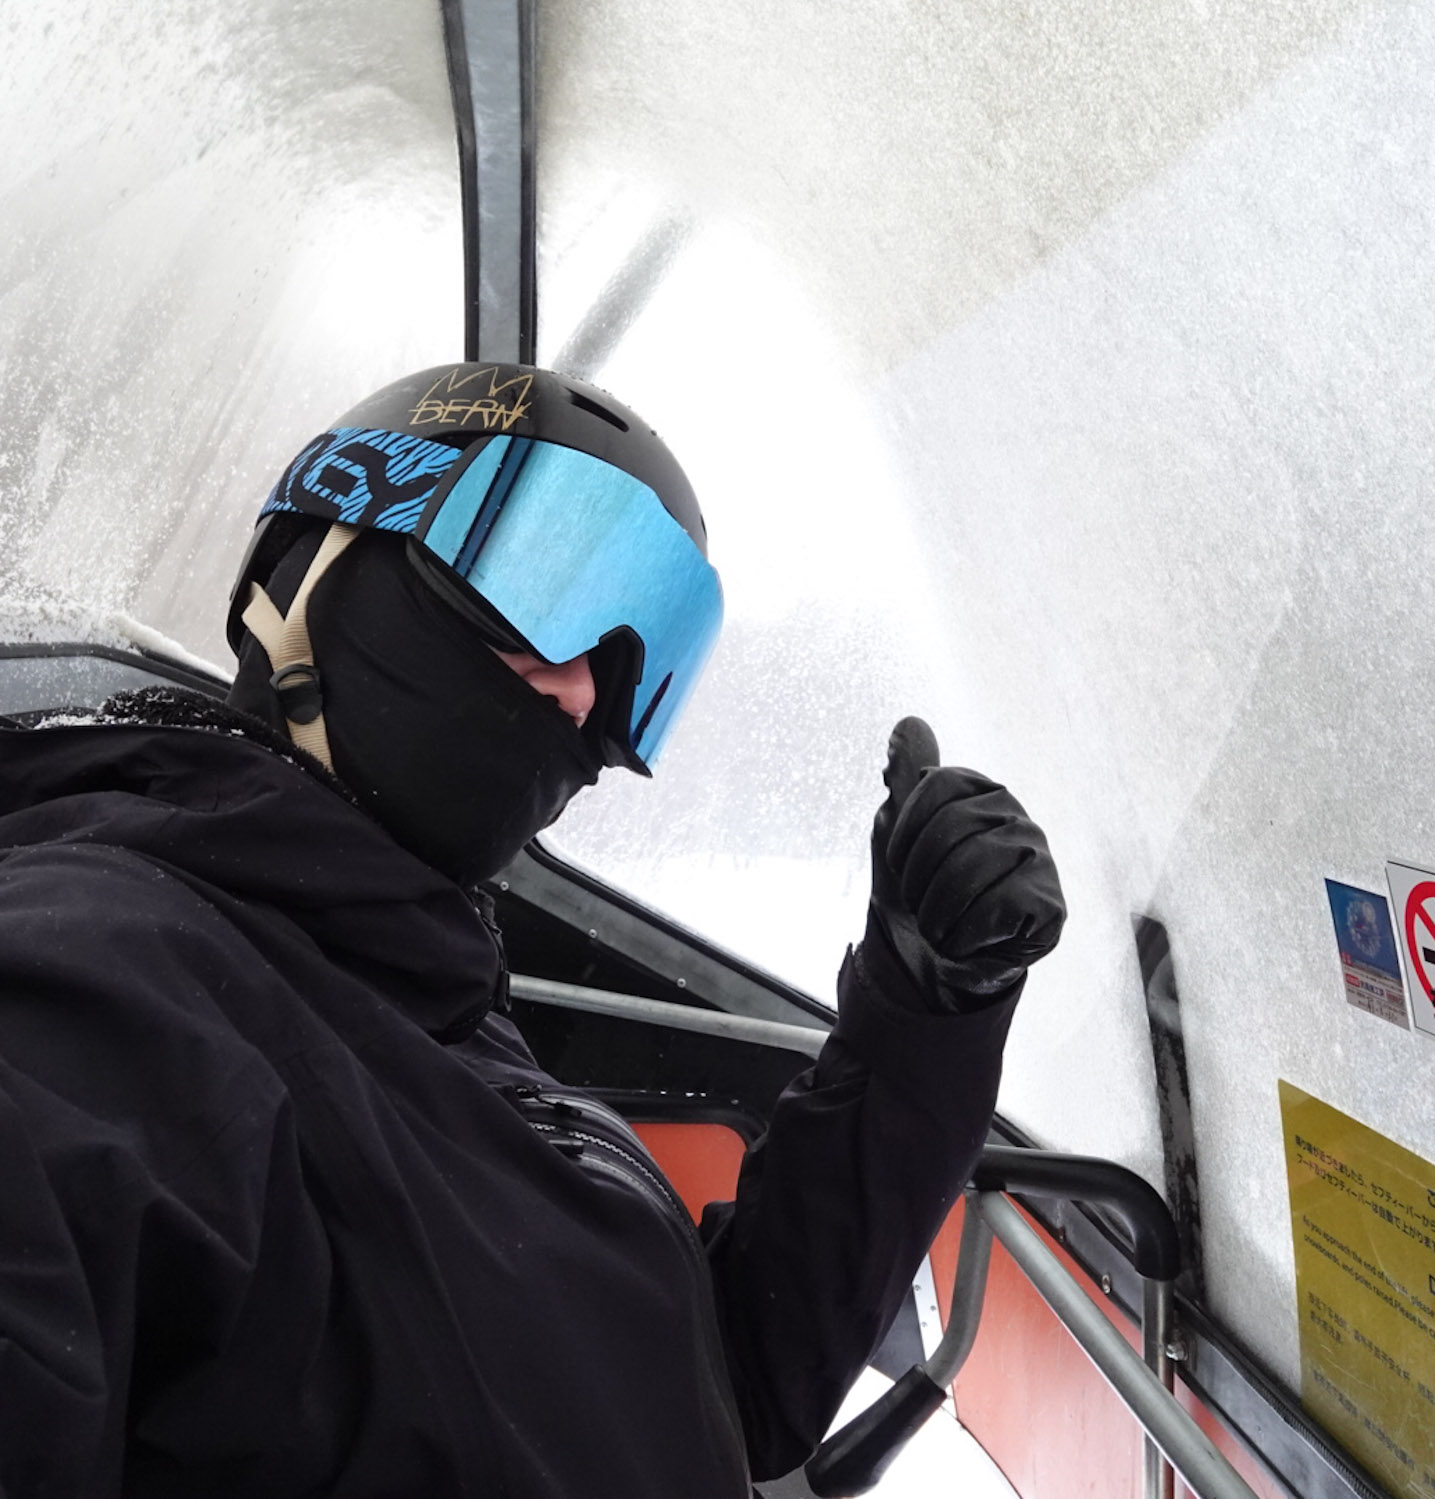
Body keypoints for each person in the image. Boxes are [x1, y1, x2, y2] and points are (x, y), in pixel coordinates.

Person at [0, 362, 1065, 1496]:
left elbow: (725, 1381)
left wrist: (922, 1011)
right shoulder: (91, 982)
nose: (582, 695)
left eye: (632, 664)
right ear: (316, 567)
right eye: (541, 581)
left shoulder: (438, 1010)